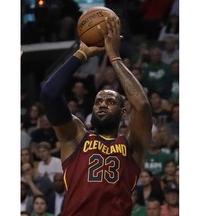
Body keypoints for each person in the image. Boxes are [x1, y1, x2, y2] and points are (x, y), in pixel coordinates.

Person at [41, 16, 152, 215]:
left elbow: (142, 105)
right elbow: (50, 93)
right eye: (98, 101)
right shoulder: (75, 137)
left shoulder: (133, 146)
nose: (102, 105)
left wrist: (114, 57)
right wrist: (82, 53)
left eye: (110, 102)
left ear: (123, 111)